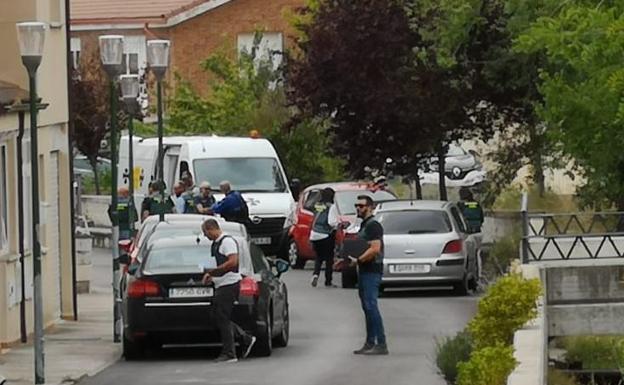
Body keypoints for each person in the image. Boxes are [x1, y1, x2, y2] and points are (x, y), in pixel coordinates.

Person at [201, 219, 256, 363]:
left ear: (211, 229)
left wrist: (213, 272)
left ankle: (230, 353)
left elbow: (233, 262)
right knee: (217, 316)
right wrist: (212, 277)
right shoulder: (216, 244)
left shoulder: (227, 242)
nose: (205, 236)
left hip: (229, 284)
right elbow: (219, 263)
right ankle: (245, 338)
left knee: (222, 317)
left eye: (205, 233)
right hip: (221, 284)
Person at [350, 195, 388, 355]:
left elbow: (375, 249)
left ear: (370, 207)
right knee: (367, 307)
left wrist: (358, 260)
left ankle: (381, 343)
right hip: (364, 270)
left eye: (361, 206)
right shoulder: (365, 225)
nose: (358, 208)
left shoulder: (374, 226)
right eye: (356, 205)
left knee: (371, 306)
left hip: (372, 270)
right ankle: (370, 342)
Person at [310, 187, 339, 288]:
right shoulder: (331, 207)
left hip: (314, 234)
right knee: (329, 259)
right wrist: (338, 223)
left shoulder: (318, 205)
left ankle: (315, 274)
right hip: (326, 235)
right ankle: (328, 281)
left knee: (318, 257)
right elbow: (331, 222)